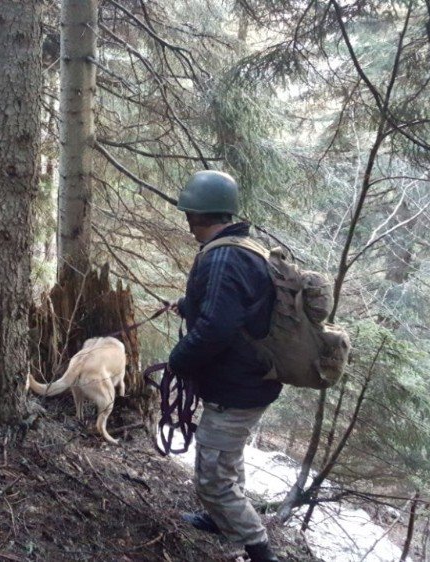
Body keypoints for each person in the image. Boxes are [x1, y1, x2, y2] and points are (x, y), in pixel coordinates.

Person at [168, 170, 281, 562]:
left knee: (214, 479)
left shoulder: (224, 257)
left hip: (236, 387)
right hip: (248, 381)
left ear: (198, 215)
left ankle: (259, 550)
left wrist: (178, 360)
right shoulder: (241, 248)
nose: (187, 221)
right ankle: (221, 521)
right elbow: (233, 309)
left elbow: (216, 328)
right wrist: (187, 307)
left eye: (189, 214)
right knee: (227, 458)